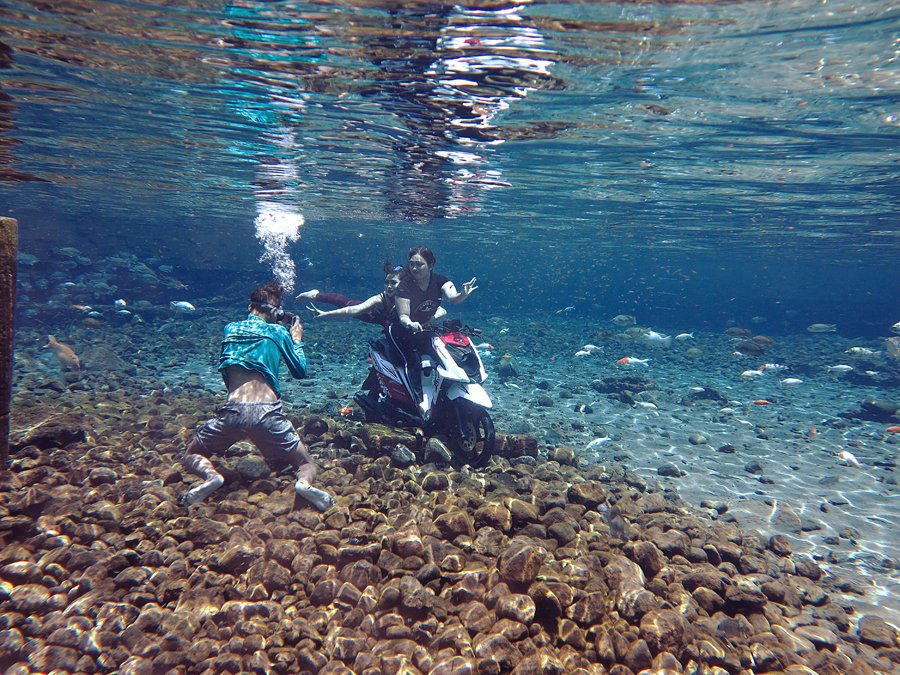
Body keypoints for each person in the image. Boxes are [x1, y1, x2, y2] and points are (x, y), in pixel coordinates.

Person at [181, 280, 333, 511]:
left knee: (193, 454)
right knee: (305, 464)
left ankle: (211, 477)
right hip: (268, 413)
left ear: (250, 308)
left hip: (232, 411)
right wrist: (297, 341)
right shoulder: (279, 332)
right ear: (276, 311)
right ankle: (303, 484)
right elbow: (300, 372)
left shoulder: (230, 328)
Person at [390, 246, 477, 406]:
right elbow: (403, 316)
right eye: (412, 264)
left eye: (419, 264)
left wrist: (463, 294)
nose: (414, 268)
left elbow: (453, 298)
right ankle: (417, 401)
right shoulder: (405, 285)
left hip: (424, 328)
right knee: (413, 362)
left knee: (443, 357)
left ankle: (444, 399)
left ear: (431, 265)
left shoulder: (440, 281)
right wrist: (410, 323)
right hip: (400, 331)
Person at [297, 261, 447, 327]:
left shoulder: (412, 295)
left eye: (393, 283)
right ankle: (316, 295)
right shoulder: (380, 299)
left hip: (400, 324)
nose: (388, 287)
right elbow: (353, 310)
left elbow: (442, 311)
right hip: (377, 317)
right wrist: (326, 314)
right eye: (386, 282)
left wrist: (427, 320)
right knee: (346, 302)